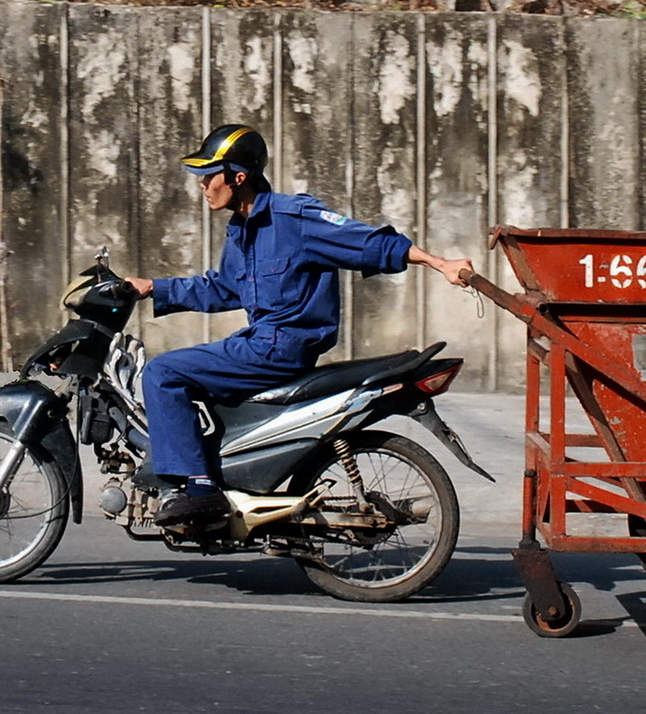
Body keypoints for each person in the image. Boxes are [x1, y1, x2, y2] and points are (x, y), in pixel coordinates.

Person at [125, 123, 473, 527]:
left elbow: (369, 243)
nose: (202, 185)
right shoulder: (241, 229)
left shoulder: (296, 218)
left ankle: (199, 489)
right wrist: (152, 288)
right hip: (259, 343)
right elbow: (223, 288)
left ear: (239, 177)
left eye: (209, 175)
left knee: (164, 373)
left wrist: (441, 263)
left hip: (278, 349)